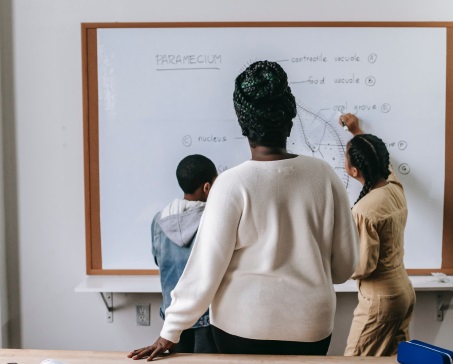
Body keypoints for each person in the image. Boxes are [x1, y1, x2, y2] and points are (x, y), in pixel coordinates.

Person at [128, 60, 359, 360]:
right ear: (289, 119)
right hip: (311, 328)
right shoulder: (324, 176)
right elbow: (344, 268)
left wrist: (170, 332)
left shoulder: (229, 184)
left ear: (242, 125)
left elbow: (203, 272)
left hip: (241, 330)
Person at [339, 113, 416, 356]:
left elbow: (364, 266)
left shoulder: (364, 210)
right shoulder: (394, 188)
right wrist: (357, 131)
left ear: (353, 171)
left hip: (381, 301)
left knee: (355, 360)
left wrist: (330, 262)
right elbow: (384, 164)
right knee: (394, 360)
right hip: (402, 292)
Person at [151, 154, 218, 354]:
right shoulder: (214, 220)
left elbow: (158, 259)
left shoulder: (159, 219)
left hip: (172, 317)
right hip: (206, 317)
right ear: (207, 187)